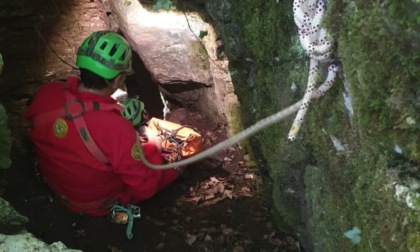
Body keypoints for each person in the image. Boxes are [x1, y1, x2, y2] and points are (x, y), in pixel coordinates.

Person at [24, 30, 180, 217]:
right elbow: (145, 187)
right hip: (97, 204)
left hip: (58, 187)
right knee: (183, 148)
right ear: (118, 79)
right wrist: (151, 141)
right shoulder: (117, 129)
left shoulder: (48, 93)